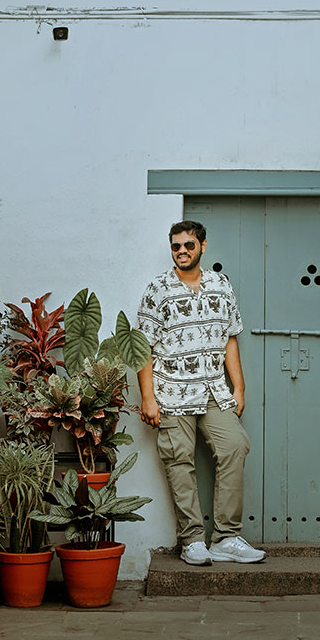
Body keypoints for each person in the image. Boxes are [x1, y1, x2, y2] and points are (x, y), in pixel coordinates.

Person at [137, 219, 266, 565]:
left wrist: (239, 387)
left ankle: (226, 538)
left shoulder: (221, 285)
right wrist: (148, 397)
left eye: (188, 245)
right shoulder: (157, 289)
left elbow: (230, 338)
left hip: (213, 389)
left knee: (235, 445)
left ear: (203, 246)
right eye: (176, 246)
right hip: (172, 391)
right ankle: (192, 540)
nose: (182, 251)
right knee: (179, 459)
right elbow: (141, 348)